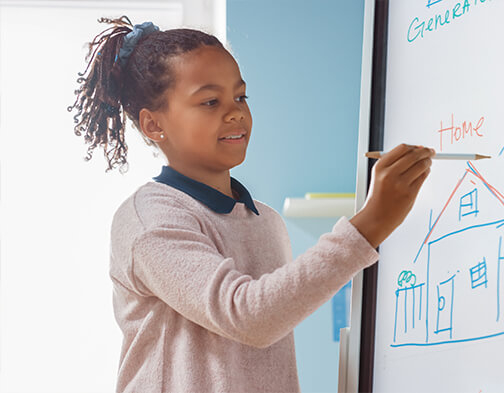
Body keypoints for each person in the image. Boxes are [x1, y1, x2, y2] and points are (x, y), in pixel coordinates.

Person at [68, 16, 434, 392]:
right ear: (153, 125)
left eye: (240, 96)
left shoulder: (265, 220)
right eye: (210, 101)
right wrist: (369, 225)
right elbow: (248, 317)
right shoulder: (150, 218)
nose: (235, 112)